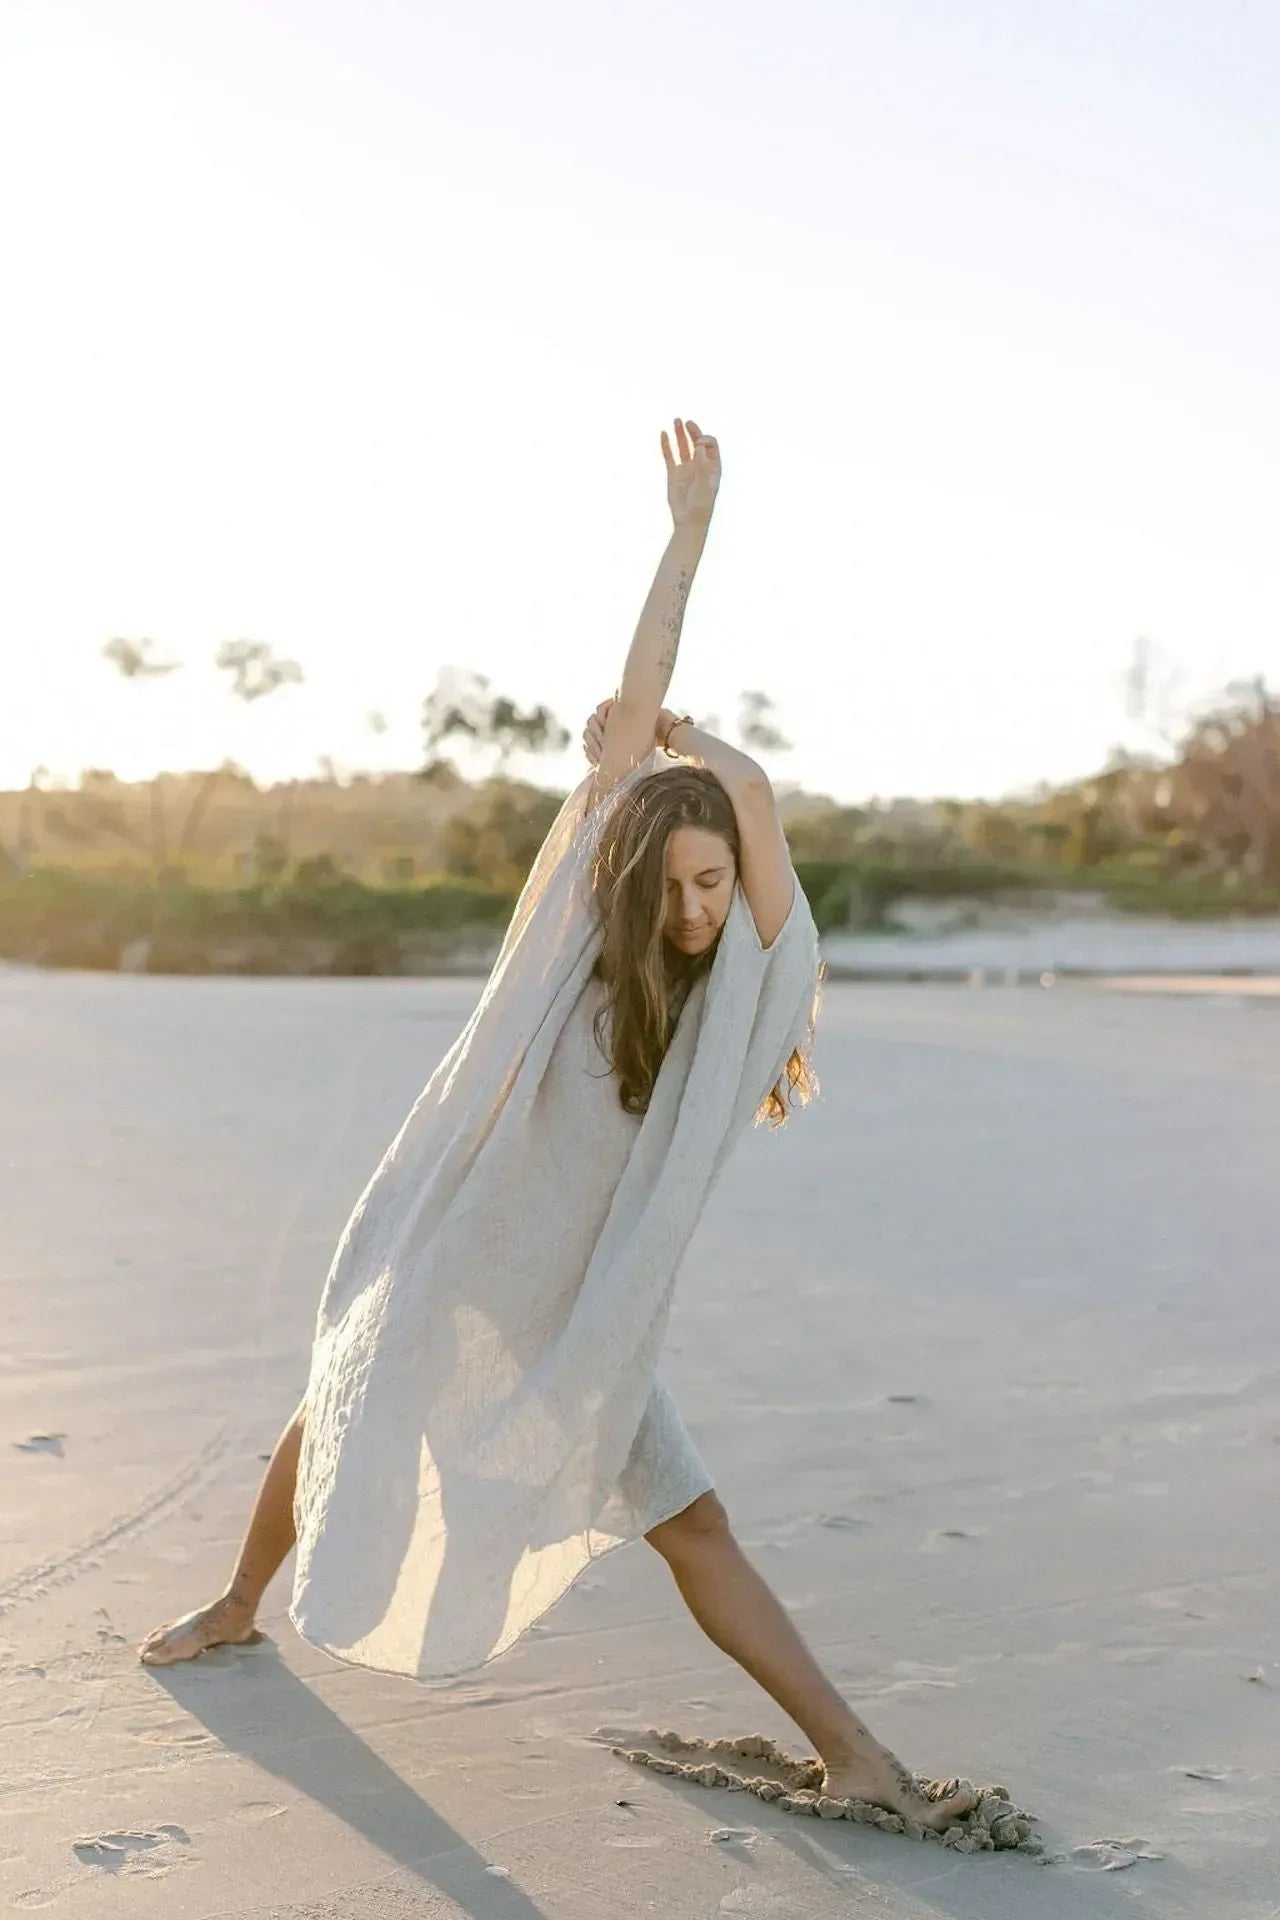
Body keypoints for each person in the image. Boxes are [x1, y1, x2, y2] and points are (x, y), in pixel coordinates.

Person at [138, 418, 974, 1831]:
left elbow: (752, 795)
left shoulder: (744, 996)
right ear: (634, 877)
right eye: (678, 883)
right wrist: (679, 545)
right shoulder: (578, 951)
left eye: (716, 883)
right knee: (338, 1395)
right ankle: (236, 1601)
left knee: (691, 1523)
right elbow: (635, 712)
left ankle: (858, 1756)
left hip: (585, 1314)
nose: (698, 908)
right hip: (468, 1256)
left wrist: (681, 737)